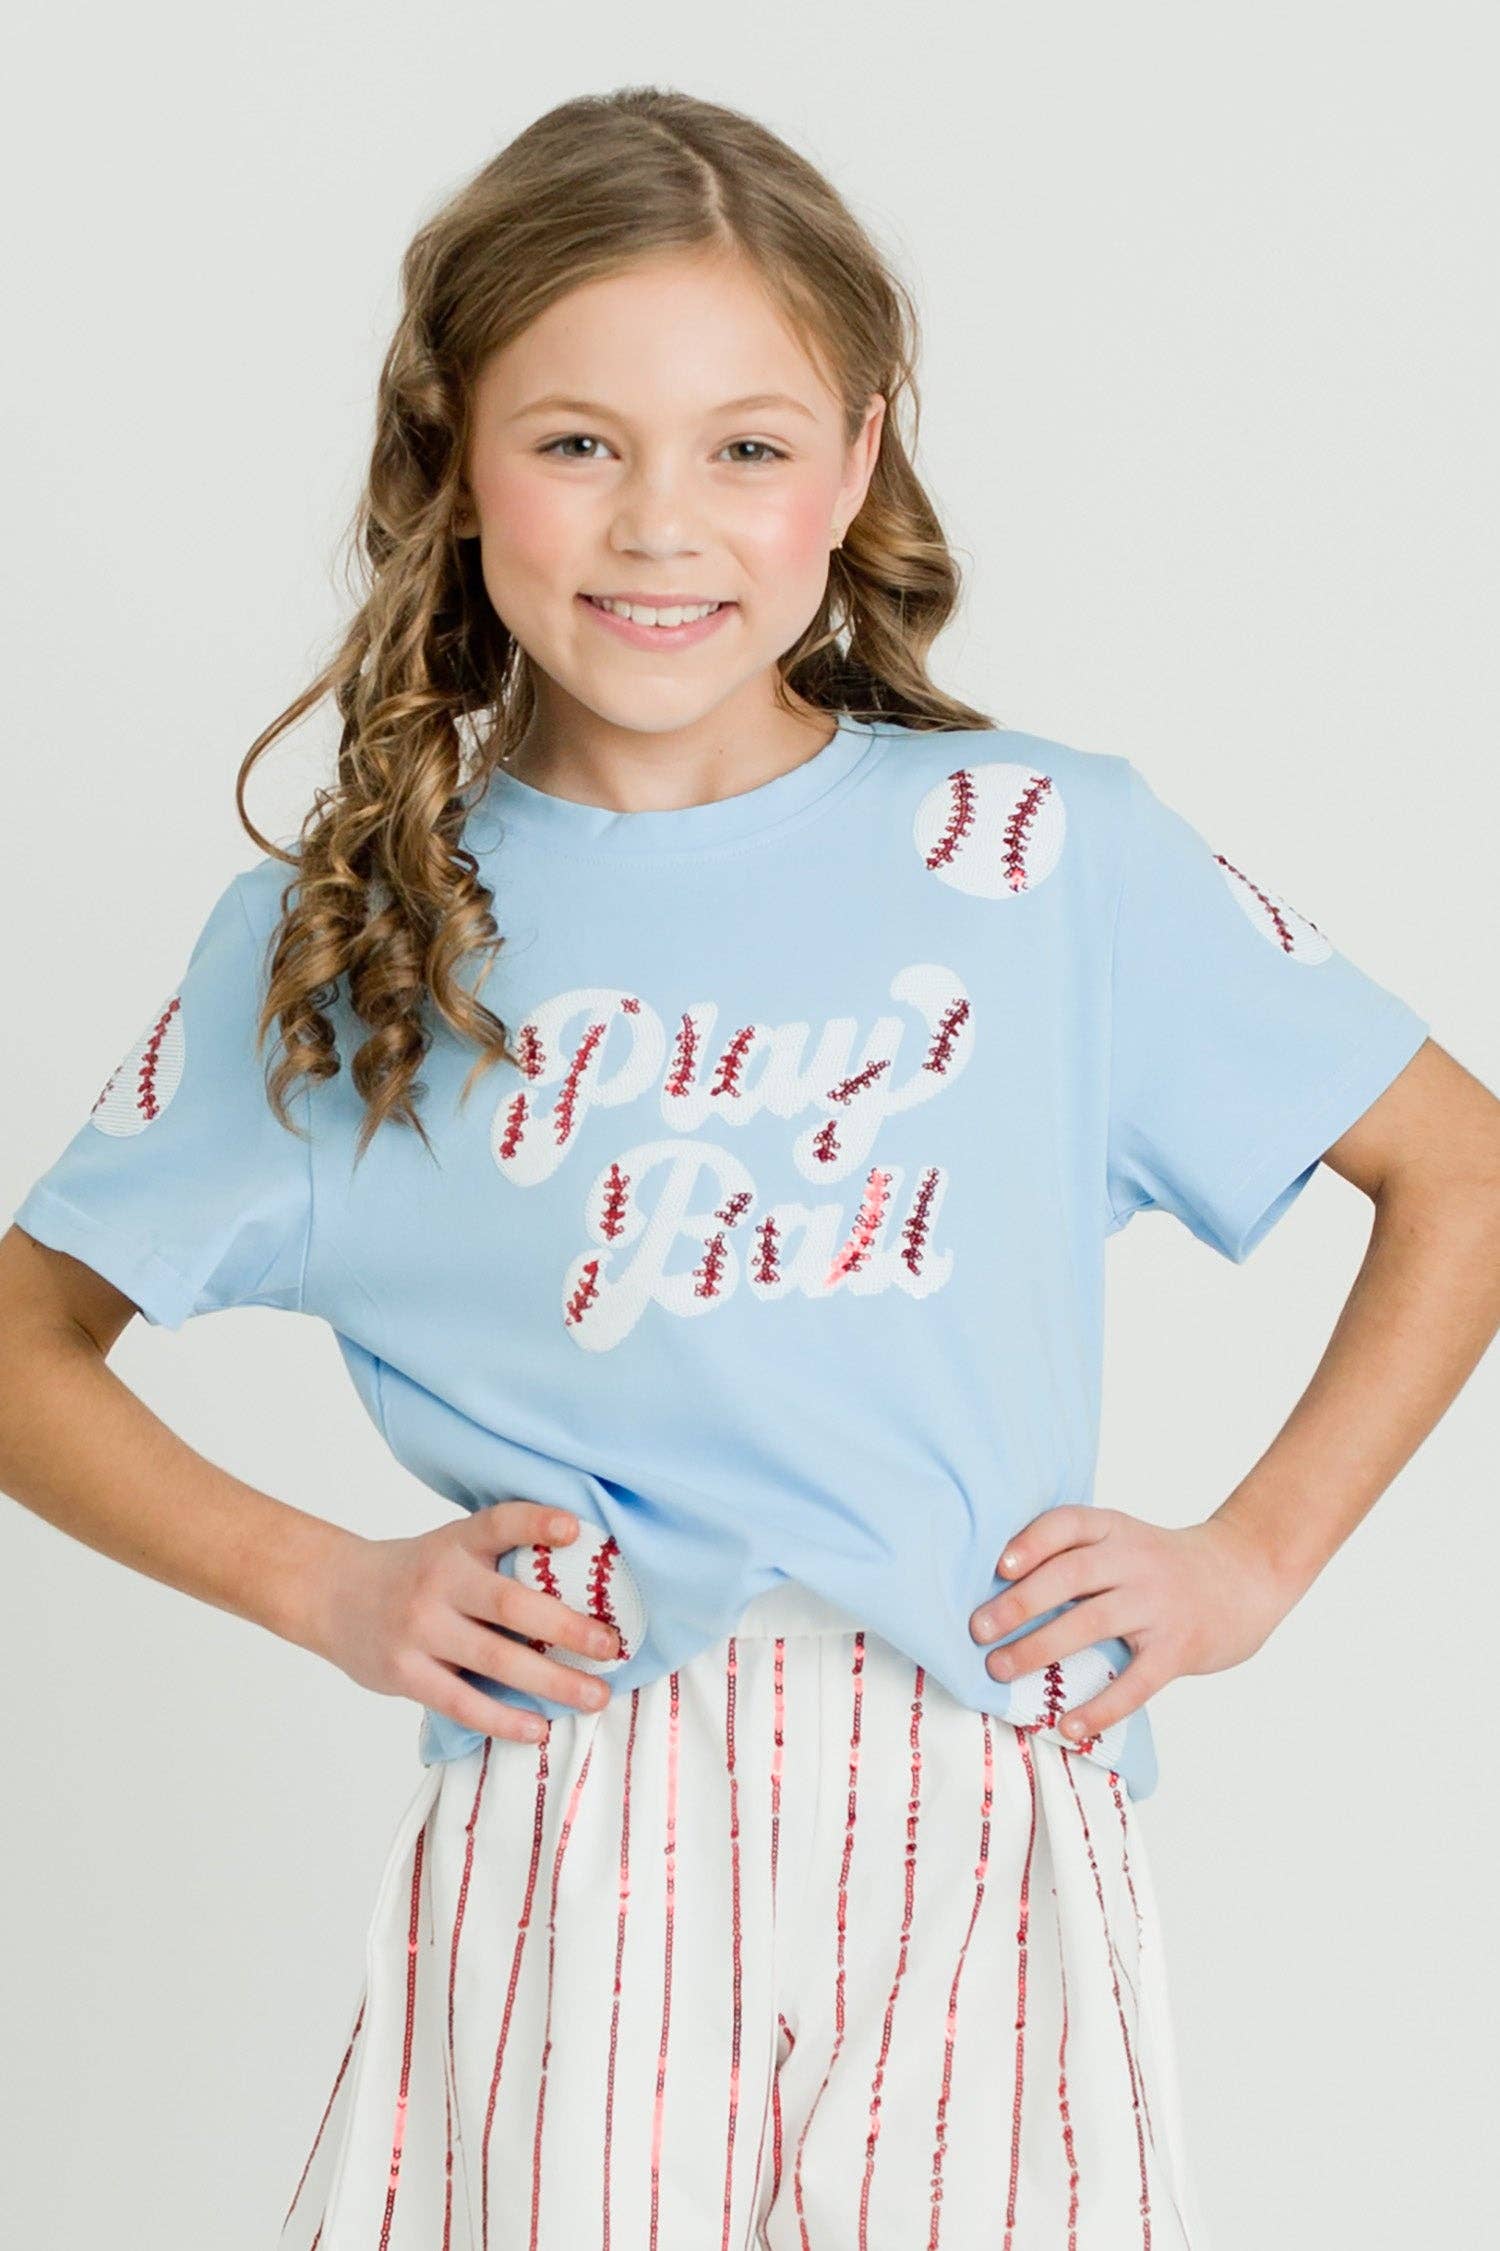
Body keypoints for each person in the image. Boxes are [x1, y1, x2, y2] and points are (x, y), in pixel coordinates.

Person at [2, 85, 1496, 2251]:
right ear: (453, 455)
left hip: (982, 1796)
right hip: (577, 1813)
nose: (660, 525)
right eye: (577, 440)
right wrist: (326, 1584)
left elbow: (1460, 1171)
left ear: (856, 464)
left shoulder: (1042, 856)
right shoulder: (359, 935)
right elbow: (26, 1337)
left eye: (748, 447)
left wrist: (1251, 1560)